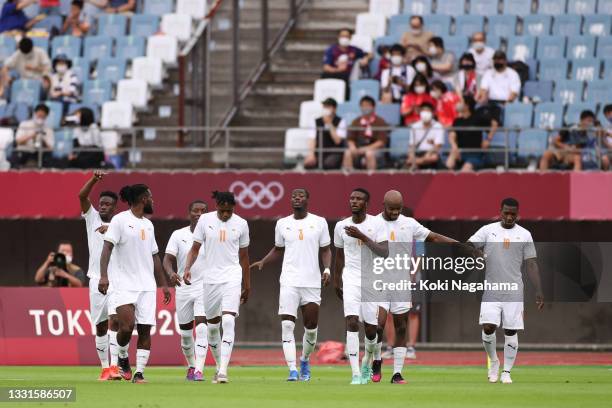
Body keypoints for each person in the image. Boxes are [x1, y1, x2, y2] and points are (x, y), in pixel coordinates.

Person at [371, 190, 458, 384]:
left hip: (402, 283)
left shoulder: (409, 224)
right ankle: (377, 360)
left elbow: (433, 237)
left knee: (402, 326)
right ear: (383, 206)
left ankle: (397, 373)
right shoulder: (373, 223)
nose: (395, 212)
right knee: (378, 325)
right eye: (392, 209)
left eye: (398, 209)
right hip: (378, 282)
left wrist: (459, 245)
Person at [251, 189, 331, 382]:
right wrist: (263, 261)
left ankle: (304, 359)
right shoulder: (282, 223)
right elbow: (278, 249)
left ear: (307, 199)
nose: (296, 198)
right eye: (294, 195)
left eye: (301, 195)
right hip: (289, 281)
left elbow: (326, 249)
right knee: (287, 325)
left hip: (311, 282)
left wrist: (327, 269)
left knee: (311, 329)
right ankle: (293, 369)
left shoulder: (319, 222)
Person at [99, 184, 172, 384]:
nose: (153, 200)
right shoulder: (120, 220)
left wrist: (163, 284)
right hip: (123, 283)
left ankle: (139, 373)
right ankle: (122, 356)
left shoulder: (149, 225)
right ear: (142, 199)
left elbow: (155, 256)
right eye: (151, 197)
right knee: (126, 326)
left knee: (145, 330)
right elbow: (107, 248)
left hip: (147, 286)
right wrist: (103, 276)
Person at [468, 197, 544, 384]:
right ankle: (494, 361)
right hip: (491, 288)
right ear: (500, 212)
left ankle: (507, 372)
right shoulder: (488, 230)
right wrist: (475, 251)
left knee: (510, 331)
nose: (509, 217)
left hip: (514, 290)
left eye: (513, 214)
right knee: (488, 327)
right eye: (506, 213)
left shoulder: (525, 234)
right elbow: (468, 244)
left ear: (518, 214)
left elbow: (531, 263)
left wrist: (538, 289)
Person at [183, 191, 250, 384]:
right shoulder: (204, 220)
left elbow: (244, 257)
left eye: (229, 211)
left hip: (232, 276)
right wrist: (187, 268)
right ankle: (211, 365)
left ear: (233, 208)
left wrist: (247, 284)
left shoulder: (241, 224)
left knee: (228, 321)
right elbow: (194, 249)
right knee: (212, 328)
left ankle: (222, 371)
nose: (226, 215)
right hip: (210, 278)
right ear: (217, 206)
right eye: (223, 211)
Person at [333, 188, 388, 384]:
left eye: (359, 199)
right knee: (352, 321)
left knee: (372, 330)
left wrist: (362, 236)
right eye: (351, 198)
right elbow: (339, 256)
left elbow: (384, 252)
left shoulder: (377, 224)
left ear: (367, 204)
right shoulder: (340, 226)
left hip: (371, 279)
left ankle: (367, 361)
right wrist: (336, 280)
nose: (354, 201)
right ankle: (356, 373)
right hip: (351, 278)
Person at [78, 171, 121, 381]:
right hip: (95, 279)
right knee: (101, 325)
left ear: (115, 207)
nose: (103, 206)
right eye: (101, 203)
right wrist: (94, 180)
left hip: (117, 281)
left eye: (107, 204)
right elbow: (81, 197)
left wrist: (111, 229)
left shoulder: (121, 224)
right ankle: (105, 368)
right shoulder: (92, 218)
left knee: (115, 320)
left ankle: (114, 367)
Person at [163, 200, 209, 381]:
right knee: (186, 334)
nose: (199, 214)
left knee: (202, 326)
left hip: (204, 288)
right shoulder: (178, 235)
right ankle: (191, 365)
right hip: (183, 287)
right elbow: (167, 259)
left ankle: (199, 369)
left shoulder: (211, 235)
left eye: (203, 211)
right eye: (195, 211)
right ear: (188, 213)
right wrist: (171, 273)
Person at [539, 110, 604, 171]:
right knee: (546, 155)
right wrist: (566, 147)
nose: (590, 124)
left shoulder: (589, 134)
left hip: (572, 154)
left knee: (577, 158)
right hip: (561, 150)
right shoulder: (571, 127)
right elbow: (555, 141)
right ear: (581, 120)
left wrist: (598, 124)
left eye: (591, 122)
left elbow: (601, 134)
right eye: (588, 121)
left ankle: (576, 181)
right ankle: (542, 179)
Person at [446, 96, 496, 172]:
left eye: (460, 102)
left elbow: (494, 124)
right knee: (449, 163)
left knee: (465, 170)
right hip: (460, 152)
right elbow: (452, 135)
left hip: (475, 154)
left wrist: (488, 140)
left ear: (467, 105)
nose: (457, 104)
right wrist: (454, 146)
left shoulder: (477, 118)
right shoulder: (457, 121)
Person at [342, 96, 389, 171]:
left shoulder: (380, 121)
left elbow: (381, 142)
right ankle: (348, 178)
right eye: (363, 105)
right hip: (359, 148)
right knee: (348, 152)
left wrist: (366, 149)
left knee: (369, 154)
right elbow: (350, 138)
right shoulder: (356, 121)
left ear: (373, 107)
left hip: (374, 149)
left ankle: (371, 179)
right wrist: (352, 146)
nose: (365, 108)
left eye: (368, 105)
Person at [304, 98, 347, 170]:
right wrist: (311, 154)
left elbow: (338, 141)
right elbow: (312, 139)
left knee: (328, 164)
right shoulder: (316, 121)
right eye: (324, 107)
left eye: (328, 107)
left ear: (334, 109)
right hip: (319, 152)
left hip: (334, 152)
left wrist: (329, 124)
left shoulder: (341, 121)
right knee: (308, 163)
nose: (326, 109)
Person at [9, 104, 54, 169]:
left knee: (48, 157)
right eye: (39, 115)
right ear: (35, 114)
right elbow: (18, 141)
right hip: (24, 151)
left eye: (42, 116)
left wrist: (42, 138)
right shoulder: (24, 124)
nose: (40, 118)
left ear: (46, 117)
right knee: (16, 156)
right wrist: (32, 135)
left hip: (39, 153)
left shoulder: (48, 129)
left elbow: (50, 148)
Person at [406, 102, 444, 170]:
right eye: (423, 110)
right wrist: (411, 155)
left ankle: (416, 162)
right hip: (418, 152)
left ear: (432, 113)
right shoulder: (414, 126)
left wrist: (428, 154)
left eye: (428, 111)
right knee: (410, 158)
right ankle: (417, 163)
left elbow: (438, 145)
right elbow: (412, 145)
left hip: (431, 153)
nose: (425, 113)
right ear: (420, 112)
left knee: (433, 158)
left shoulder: (438, 126)